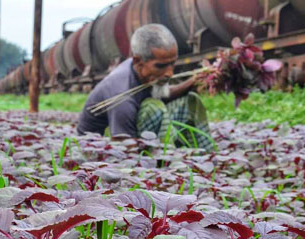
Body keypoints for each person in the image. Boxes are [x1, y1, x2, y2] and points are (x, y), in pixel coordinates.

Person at [77, 24, 214, 150]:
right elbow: (122, 146)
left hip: (132, 130)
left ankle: (204, 153)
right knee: (154, 107)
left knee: (190, 100)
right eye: (161, 66)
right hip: (102, 146)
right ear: (138, 61)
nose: (170, 73)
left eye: (172, 64)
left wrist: (192, 82)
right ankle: (165, 159)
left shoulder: (139, 69)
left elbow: (163, 95)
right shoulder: (122, 94)